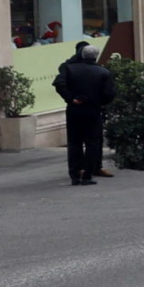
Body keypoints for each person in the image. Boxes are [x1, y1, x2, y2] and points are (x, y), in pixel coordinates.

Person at [53, 42, 115, 187]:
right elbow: (109, 93)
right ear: (96, 57)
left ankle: (74, 175)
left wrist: (71, 98)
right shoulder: (103, 72)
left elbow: (59, 84)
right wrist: (99, 102)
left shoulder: (69, 68)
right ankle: (87, 174)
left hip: (74, 109)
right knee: (92, 142)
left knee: (74, 142)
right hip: (93, 110)